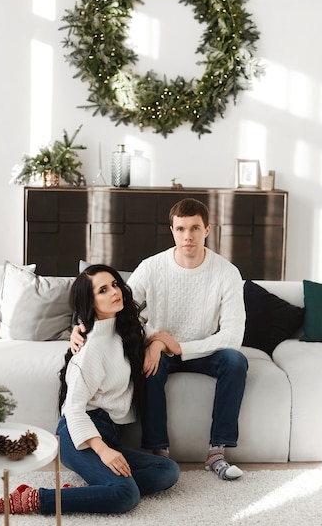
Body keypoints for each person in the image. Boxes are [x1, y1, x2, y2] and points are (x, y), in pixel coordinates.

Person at [71, 199, 248, 481]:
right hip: (160, 350)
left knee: (236, 361)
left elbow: (232, 336)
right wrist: (82, 326)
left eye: (194, 228)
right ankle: (159, 451)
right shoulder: (152, 267)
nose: (187, 236)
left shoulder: (227, 272)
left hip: (203, 350)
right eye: (180, 229)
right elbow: (120, 306)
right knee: (148, 366)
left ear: (207, 230)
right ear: (172, 230)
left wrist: (180, 347)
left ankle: (217, 452)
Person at [0, 264, 179, 516]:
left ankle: (94, 490)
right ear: (90, 301)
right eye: (103, 290)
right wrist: (103, 450)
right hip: (78, 437)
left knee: (167, 471)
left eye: (115, 285)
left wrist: (156, 345)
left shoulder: (128, 329)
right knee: (126, 496)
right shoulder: (90, 349)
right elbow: (72, 409)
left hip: (108, 433)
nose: (114, 292)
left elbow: (172, 344)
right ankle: (33, 498)